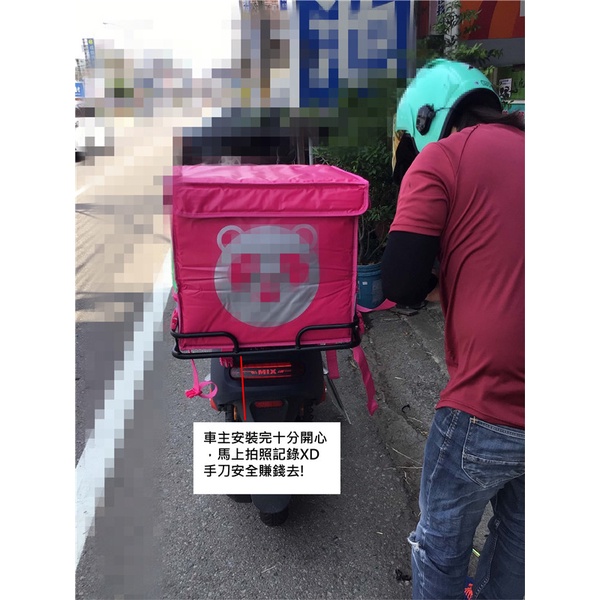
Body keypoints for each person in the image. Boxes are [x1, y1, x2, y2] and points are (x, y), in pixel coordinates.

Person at [381, 58, 525, 600]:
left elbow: (401, 282)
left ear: (425, 118)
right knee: (521, 544)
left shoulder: (442, 158)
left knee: (440, 548)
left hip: (488, 401)